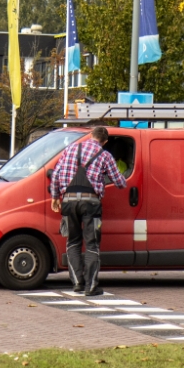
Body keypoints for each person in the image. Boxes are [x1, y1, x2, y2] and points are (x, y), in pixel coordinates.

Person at [50, 126, 126, 296]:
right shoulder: (105, 155)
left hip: (68, 202)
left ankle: (77, 283)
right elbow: (119, 182)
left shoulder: (70, 149)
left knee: (72, 242)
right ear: (105, 142)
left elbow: (55, 175)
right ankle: (91, 287)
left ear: (91, 135)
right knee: (91, 244)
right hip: (91, 203)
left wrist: (55, 197)